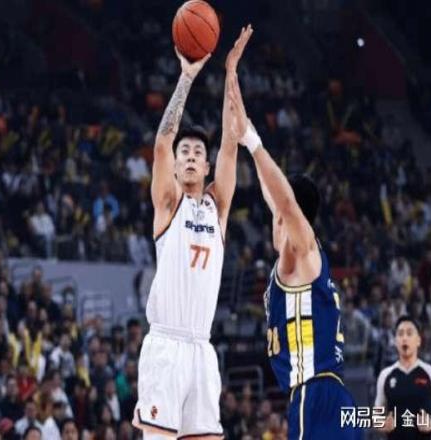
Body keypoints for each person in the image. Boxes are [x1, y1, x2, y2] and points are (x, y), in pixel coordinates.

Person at [227, 67, 362, 439]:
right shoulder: (299, 255)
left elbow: (284, 202)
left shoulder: (303, 249)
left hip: (316, 394)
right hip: (331, 395)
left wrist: (251, 140)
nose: (272, 218)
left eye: (280, 216)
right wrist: (247, 132)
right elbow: (276, 198)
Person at [132, 26, 253, 439]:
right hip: (165, 346)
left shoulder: (218, 207)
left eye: (197, 152)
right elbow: (162, 143)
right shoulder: (169, 204)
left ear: (205, 168)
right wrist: (186, 77)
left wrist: (231, 74)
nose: (188, 156)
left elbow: (231, 144)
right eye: (184, 152)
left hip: (202, 348)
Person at [374, 316, 431, 439]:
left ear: (418, 340)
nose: (404, 338)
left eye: (409, 333)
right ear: (395, 341)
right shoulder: (385, 375)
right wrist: (383, 425)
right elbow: (376, 416)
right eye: (400, 334)